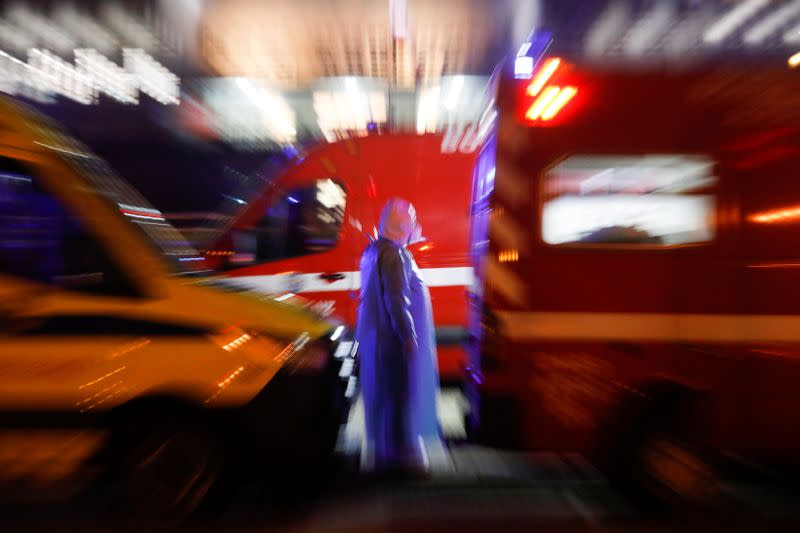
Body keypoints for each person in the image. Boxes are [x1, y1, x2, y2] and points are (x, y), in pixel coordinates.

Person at [356, 198, 446, 475]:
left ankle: (385, 454)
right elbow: (397, 299)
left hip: (377, 341)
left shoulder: (373, 251)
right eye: (413, 222)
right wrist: (408, 336)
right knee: (398, 398)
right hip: (392, 342)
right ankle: (403, 460)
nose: (417, 227)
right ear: (403, 225)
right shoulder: (395, 255)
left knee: (384, 397)